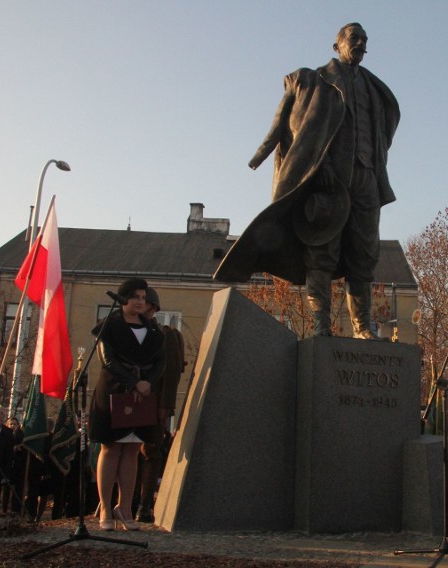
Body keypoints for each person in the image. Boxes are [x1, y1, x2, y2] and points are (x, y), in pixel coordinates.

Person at [214, 22, 400, 339]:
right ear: (337, 45)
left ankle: (361, 326)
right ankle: (321, 324)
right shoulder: (315, 79)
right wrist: (317, 164)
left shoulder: (375, 89)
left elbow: (382, 130)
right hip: (329, 180)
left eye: (364, 40)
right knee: (321, 251)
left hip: (367, 178)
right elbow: (295, 124)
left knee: (363, 255)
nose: (360, 43)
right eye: (354, 38)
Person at [89, 278, 164, 531]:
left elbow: (160, 362)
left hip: (141, 394)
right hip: (114, 391)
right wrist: (133, 382)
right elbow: (108, 360)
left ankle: (125, 507)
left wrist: (147, 384)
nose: (141, 302)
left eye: (144, 297)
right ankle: (106, 508)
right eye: (136, 297)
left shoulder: (153, 329)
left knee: (132, 450)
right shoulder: (110, 325)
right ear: (124, 299)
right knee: (111, 449)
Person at [134, 287, 185, 523]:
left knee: (150, 452)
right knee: (123, 451)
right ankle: (122, 501)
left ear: (153, 308)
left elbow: (172, 371)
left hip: (153, 402)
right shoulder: (126, 330)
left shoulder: (166, 335)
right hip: (128, 399)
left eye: (143, 303)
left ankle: (144, 505)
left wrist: (165, 406)